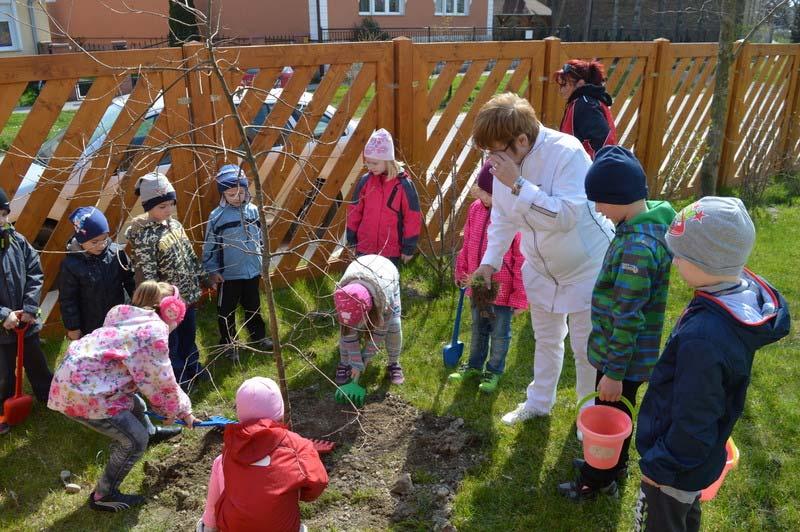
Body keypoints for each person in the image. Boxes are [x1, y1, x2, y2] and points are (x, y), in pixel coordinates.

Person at [634, 197, 790, 531]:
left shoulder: (704, 339)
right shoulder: (730, 298)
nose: (674, 260)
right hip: (697, 460)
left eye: (681, 254)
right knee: (685, 516)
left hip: (675, 464)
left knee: (663, 519)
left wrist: (662, 465)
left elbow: (695, 415)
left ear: (707, 262)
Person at [470, 92, 615, 426]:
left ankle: (588, 416)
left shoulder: (567, 152)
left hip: (586, 265)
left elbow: (565, 215)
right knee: (546, 339)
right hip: (539, 266)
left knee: (585, 348)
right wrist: (490, 262)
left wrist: (518, 184)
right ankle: (539, 402)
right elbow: (504, 218)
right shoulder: (503, 162)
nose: (490, 158)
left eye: (495, 150)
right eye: (487, 151)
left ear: (521, 139)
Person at [555, 146, 676, 500]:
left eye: (600, 202)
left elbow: (628, 315)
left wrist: (614, 372)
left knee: (609, 418)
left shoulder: (637, 246)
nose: (597, 210)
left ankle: (596, 479)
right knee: (619, 413)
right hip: (622, 357)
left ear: (618, 197)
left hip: (620, 359)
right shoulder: (642, 226)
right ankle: (615, 468)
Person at [48, 280, 197, 512]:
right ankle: (103, 495)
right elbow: (160, 381)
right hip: (85, 396)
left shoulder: (126, 316)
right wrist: (173, 411)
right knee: (134, 441)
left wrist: (182, 408)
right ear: (171, 311)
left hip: (74, 383)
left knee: (133, 401)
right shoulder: (152, 333)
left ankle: (151, 431)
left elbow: (147, 377)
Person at [197, 377, 328, 532]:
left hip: (234, 526)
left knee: (220, 465)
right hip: (282, 527)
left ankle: (208, 527)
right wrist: (299, 493)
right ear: (280, 411)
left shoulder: (231, 448)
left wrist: (211, 523)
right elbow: (319, 482)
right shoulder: (297, 446)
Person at [451, 161, 528, 393]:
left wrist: (519, 297)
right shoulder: (475, 209)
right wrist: (461, 271)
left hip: (502, 292)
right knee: (478, 327)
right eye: (481, 193)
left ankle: (493, 370)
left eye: (489, 194)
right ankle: (474, 364)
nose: (484, 198)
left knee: (500, 333)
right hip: (478, 286)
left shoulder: (512, 218)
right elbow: (467, 245)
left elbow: (522, 261)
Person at [126, 172, 207, 390]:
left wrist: (202, 277)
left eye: (171, 204)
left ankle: (193, 366)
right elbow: (147, 273)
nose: (168, 210)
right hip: (167, 304)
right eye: (162, 206)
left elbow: (189, 255)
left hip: (186, 296)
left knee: (189, 334)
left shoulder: (175, 225)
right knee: (173, 342)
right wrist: (156, 302)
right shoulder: (144, 235)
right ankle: (179, 378)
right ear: (148, 206)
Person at [202, 165, 273, 362]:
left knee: (253, 306)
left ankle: (258, 336)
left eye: (241, 192)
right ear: (223, 194)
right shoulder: (217, 217)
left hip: (252, 271)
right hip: (229, 274)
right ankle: (229, 342)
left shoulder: (253, 211)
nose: (237, 197)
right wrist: (212, 269)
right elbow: (210, 244)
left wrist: (263, 260)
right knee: (226, 310)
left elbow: (262, 239)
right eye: (231, 194)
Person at [0, 187, 53, 436]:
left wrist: (30, 308)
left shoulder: (17, 240)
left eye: (3, 214)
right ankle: (4, 411)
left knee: (37, 364)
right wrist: (4, 315)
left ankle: (49, 397)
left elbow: (35, 271)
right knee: (3, 375)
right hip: (2, 331)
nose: (0, 221)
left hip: (26, 324)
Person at [346, 128, 422, 266]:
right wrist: (351, 239)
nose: (370, 166)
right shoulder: (365, 181)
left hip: (391, 250)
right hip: (365, 246)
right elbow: (354, 210)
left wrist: (409, 247)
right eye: (367, 162)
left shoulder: (404, 184)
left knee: (387, 284)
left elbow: (412, 216)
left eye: (374, 163)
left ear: (388, 160)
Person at [59, 207, 135, 340]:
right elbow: (68, 299)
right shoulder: (71, 265)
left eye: (105, 239)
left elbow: (131, 280)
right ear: (81, 240)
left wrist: (138, 305)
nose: (101, 245)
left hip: (120, 318)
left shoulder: (116, 253)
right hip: (92, 325)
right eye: (94, 242)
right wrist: (73, 327)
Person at [333, 254, 404, 386]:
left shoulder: (385, 300)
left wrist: (365, 357)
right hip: (360, 269)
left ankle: (394, 363)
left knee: (394, 326)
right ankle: (345, 363)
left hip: (386, 275)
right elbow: (348, 332)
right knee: (346, 330)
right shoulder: (342, 297)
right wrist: (355, 362)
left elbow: (380, 333)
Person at [554, 59, 617, 159]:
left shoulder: (585, 105)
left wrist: (590, 169)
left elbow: (604, 143)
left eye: (564, 84)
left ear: (580, 84)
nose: (560, 90)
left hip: (587, 169)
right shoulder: (584, 101)